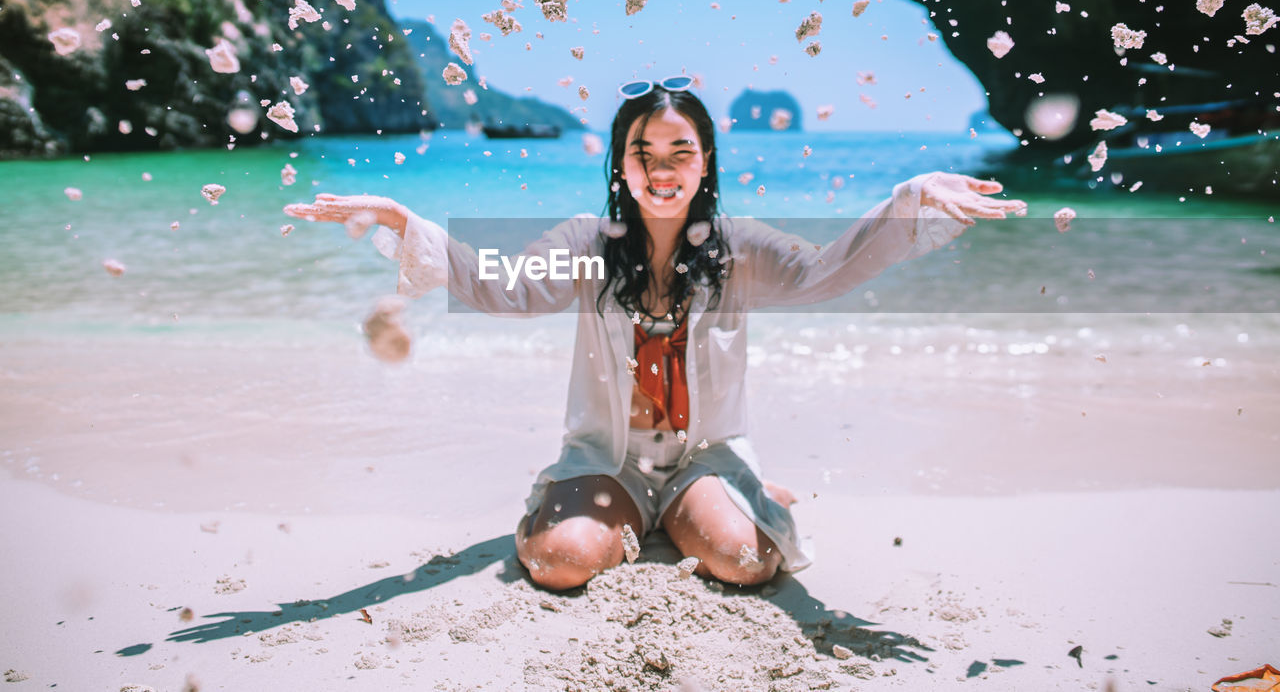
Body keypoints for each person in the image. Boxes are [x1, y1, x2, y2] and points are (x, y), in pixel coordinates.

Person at [285, 75, 1026, 592]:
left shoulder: (738, 246)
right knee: (561, 565)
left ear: (704, 164)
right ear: (622, 165)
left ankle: (726, 499)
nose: (662, 171)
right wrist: (403, 220)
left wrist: (909, 201)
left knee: (742, 562)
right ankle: (614, 510)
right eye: (645, 155)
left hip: (705, 456)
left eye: (681, 155)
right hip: (607, 460)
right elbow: (497, 285)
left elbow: (824, 273)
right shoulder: (586, 241)